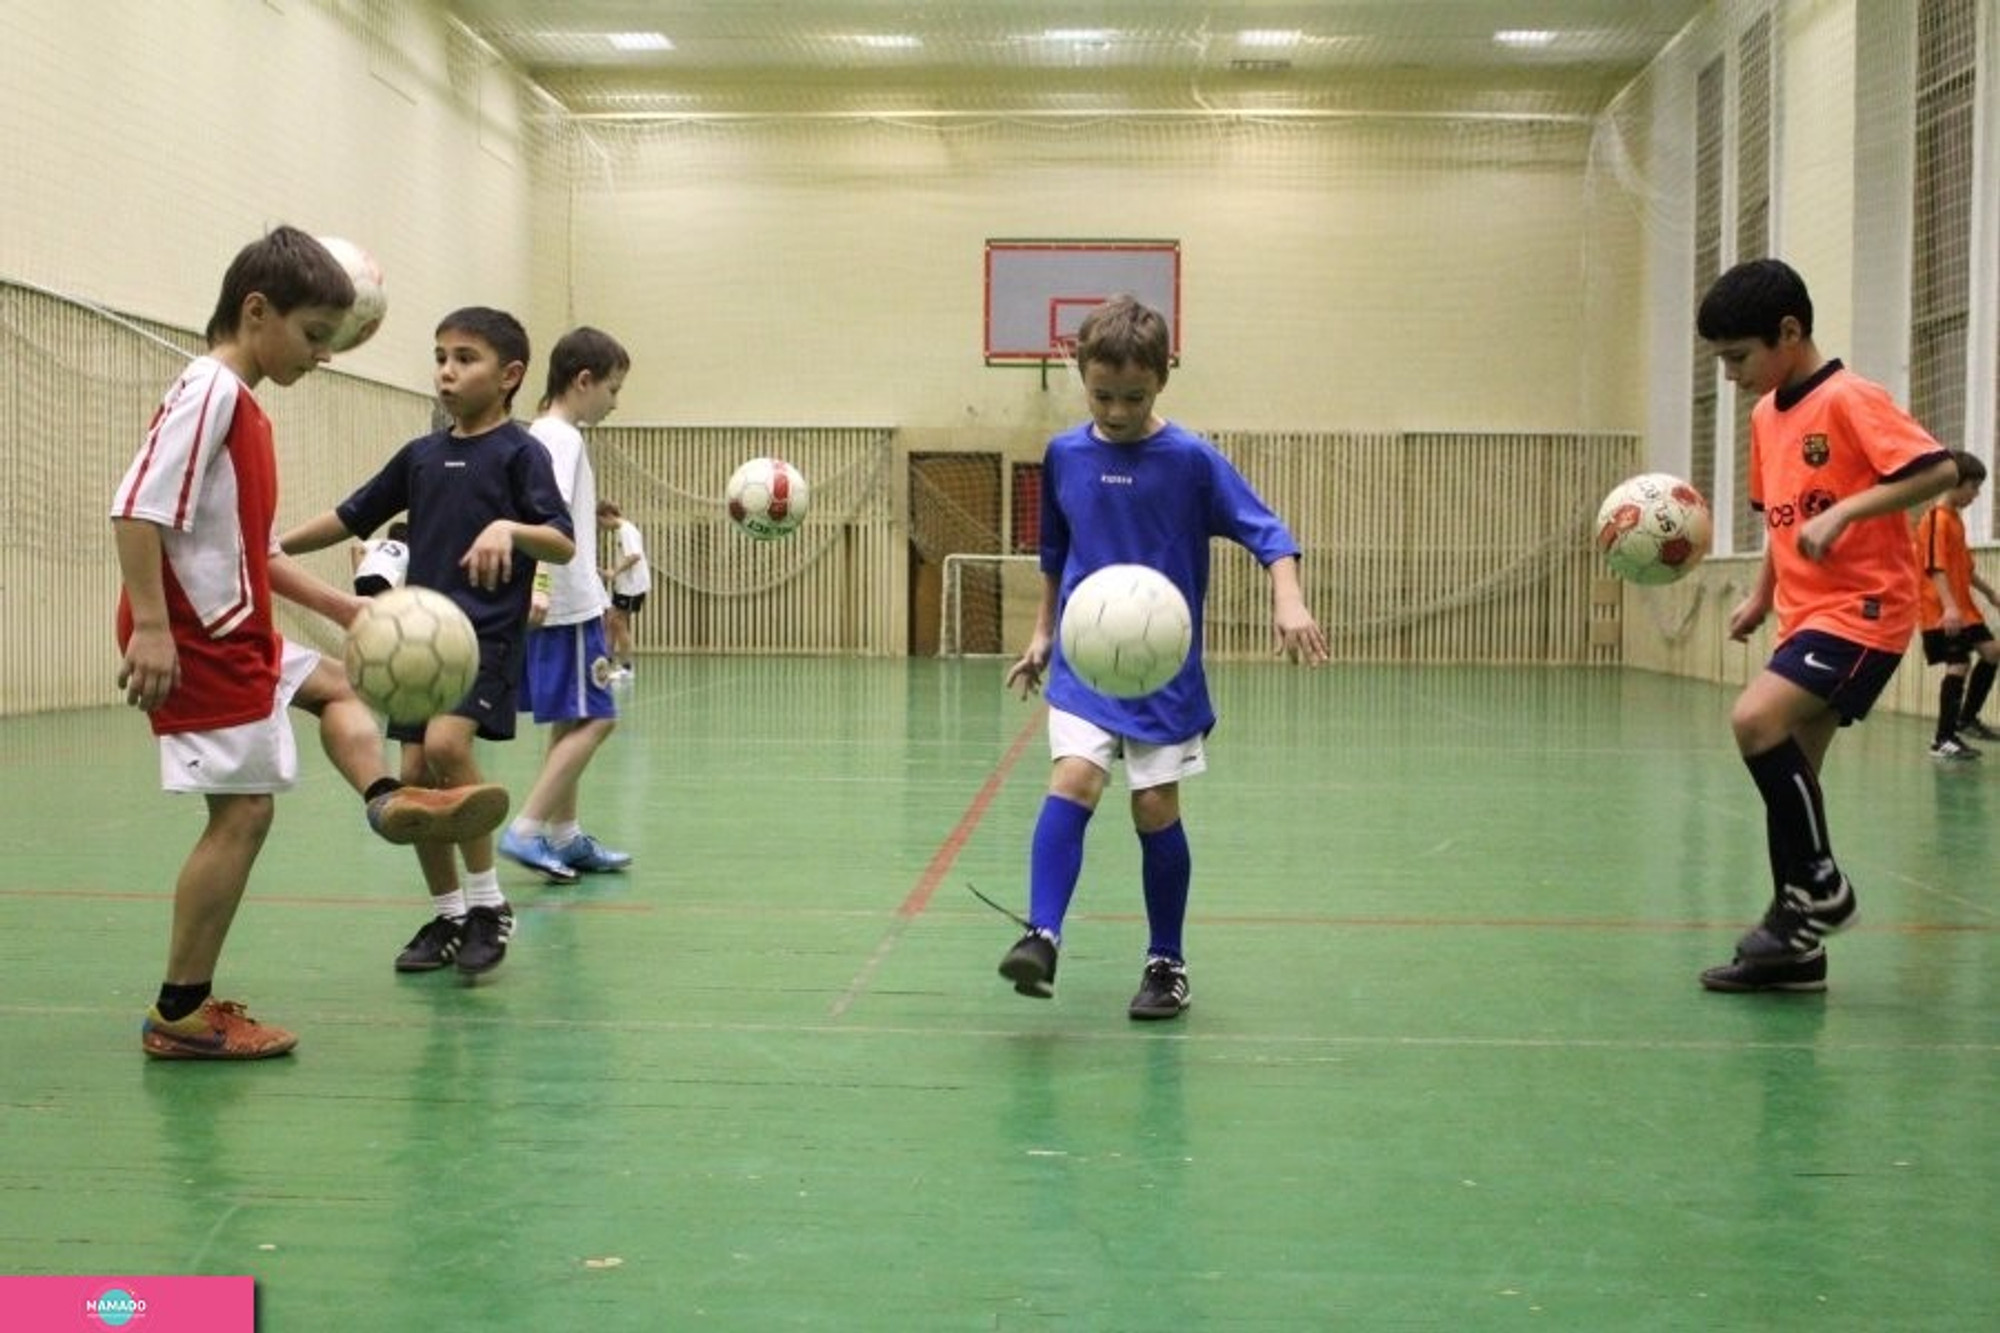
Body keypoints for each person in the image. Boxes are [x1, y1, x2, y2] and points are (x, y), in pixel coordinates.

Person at [114, 228, 508, 1059]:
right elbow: (137, 506)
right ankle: (181, 1012)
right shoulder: (212, 391)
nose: (324, 355)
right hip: (197, 634)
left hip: (232, 622)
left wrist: (345, 608)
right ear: (257, 312)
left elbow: (255, 551)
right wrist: (152, 626)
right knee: (244, 813)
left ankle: (389, 800)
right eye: (316, 335)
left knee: (337, 685)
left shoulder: (242, 404)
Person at [996, 295, 1329, 1021]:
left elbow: (1270, 533)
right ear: (1079, 373)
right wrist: (1043, 632)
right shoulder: (1064, 455)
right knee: (1076, 779)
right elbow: (1056, 553)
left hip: (1163, 670)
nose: (1116, 411)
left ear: (1163, 380)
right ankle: (1041, 933)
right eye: (1102, 395)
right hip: (1086, 660)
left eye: (1133, 397)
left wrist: (1290, 598)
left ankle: (1165, 962)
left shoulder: (1190, 460)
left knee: (1152, 806)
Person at [283, 307, 575, 978]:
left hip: (481, 639)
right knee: (414, 779)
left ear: (510, 376)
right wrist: (275, 544)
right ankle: (448, 913)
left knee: (447, 747)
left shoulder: (520, 453)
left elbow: (561, 536)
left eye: (465, 357)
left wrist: (510, 528)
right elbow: (350, 514)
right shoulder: (419, 455)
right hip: (415, 644)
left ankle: (488, 904)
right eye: (440, 355)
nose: (447, 369)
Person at [1694, 258, 1957, 994]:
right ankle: (1796, 947)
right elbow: (1785, 520)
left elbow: (1935, 471)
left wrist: (1849, 510)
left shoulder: (1849, 399)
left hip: (1867, 610)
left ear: (1789, 332)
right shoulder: (1763, 415)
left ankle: (1823, 885)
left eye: (1738, 357)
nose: (1730, 375)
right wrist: (1759, 595)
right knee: (1794, 779)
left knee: (1753, 721)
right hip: (1807, 617)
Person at [499, 327, 636, 883]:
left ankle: (565, 835)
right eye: (613, 388)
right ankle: (526, 830)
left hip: (568, 600)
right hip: (569, 603)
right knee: (598, 720)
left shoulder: (546, 434)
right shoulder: (562, 439)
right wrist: (543, 589)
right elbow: (540, 519)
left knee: (572, 719)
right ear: (583, 381)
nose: (614, 401)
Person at [1914, 450, 2000, 759]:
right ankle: (1943, 739)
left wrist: (1990, 593)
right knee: (1959, 664)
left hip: (1963, 608)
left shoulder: (1954, 520)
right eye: (1973, 487)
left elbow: (1965, 567)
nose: (1976, 495)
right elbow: (1934, 567)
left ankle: (1966, 720)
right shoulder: (1936, 519)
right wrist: (1949, 608)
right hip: (1941, 609)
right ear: (1955, 483)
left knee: (1991, 652)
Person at [597, 500, 649, 678]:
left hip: (632, 586)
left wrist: (614, 571)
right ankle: (607, 661)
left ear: (608, 515)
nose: (600, 526)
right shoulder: (621, 531)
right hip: (624, 585)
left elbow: (634, 556)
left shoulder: (627, 530)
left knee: (619, 623)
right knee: (610, 619)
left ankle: (627, 669)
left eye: (600, 521)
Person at [351, 519, 410, 597]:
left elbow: (355, 547)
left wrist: (358, 571)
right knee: (382, 606)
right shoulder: (406, 549)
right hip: (382, 579)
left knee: (365, 605)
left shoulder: (379, 542)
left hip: (361, 579)